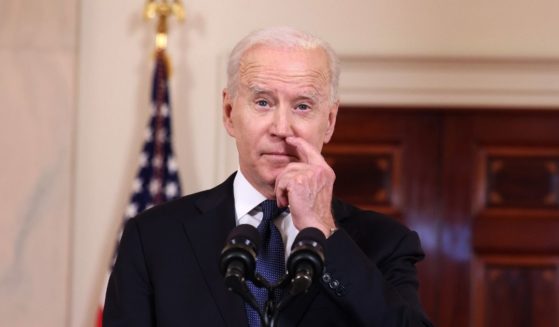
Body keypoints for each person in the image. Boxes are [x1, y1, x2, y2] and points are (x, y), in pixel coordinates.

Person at [103, 26, 433, 327]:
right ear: (229, 113)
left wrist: (325, 231)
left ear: (330, 121)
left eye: (302, 106)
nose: (281, 128)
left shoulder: (386, 243)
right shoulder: (153, 238)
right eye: (263, 102)